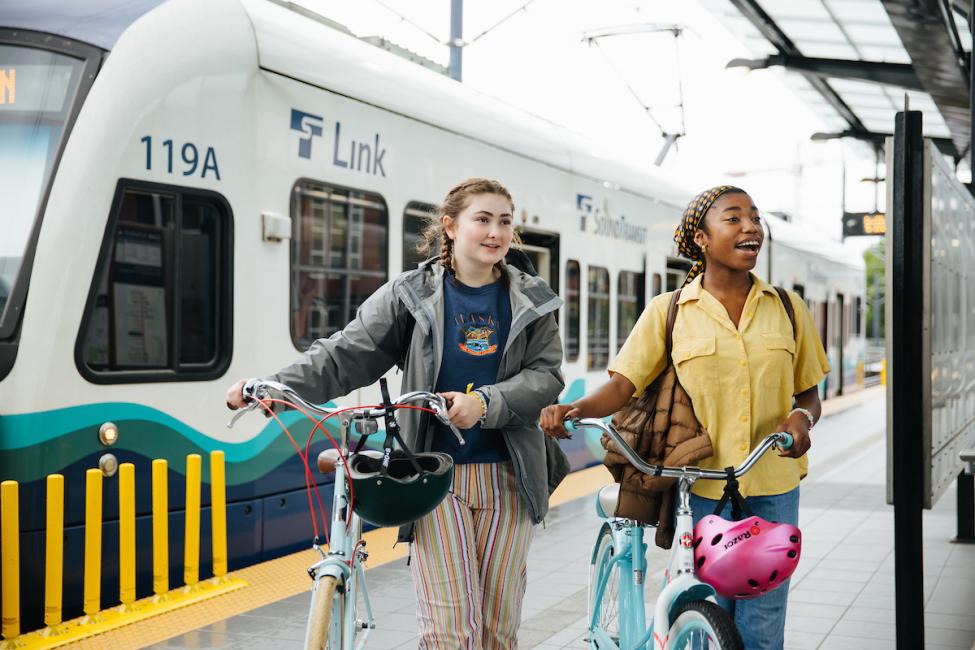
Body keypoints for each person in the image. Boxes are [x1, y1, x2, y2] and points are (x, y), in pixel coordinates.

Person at [227, 178, 564, 649]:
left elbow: (546, 377)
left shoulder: (533, 299)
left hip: (509, 475)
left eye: (504, 222)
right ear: (450, 226)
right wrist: (278, 386)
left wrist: (485, 403)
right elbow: (347, 353)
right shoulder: (410, 295)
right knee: (449, 632)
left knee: (497, 630)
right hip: (431, 477)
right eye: (482, 219)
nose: (495, 232)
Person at [540, 185, 829, 650]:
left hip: (773, 485)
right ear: (701, 238)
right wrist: (573, 411)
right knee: (707, 607)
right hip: (702, 488)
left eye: (755, 218)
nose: (751, 227)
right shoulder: (670, 311)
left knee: (764, 617)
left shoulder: (788, 309)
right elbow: (623, 385)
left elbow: (810, 394)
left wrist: (801, 419)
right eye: (734, 218)